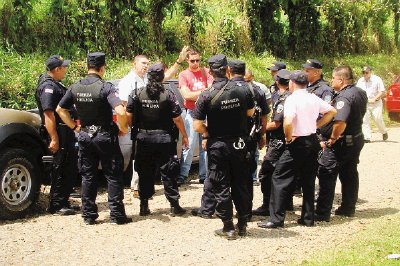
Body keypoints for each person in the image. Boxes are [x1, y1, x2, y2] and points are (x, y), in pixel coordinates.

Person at [56, 52, 131, 225]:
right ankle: (116, 215)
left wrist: (75, 127)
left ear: (87, 67)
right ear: (102, 68)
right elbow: (120, 111)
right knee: (113, 175)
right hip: (104, 135)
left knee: (88, 176)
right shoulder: (106, 87)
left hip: (85, 136)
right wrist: (122, 127)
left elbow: (60, 109)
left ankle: (88, 215)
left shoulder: (76, 87)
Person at [257, 70, 336, 229]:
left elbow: (287, 122)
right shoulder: (313, 97)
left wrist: (288, 137)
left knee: (279, 178)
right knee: (308, 180)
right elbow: (332, 111)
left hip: (297, 141)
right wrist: (316, 125)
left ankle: (276, 218)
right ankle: (308, 218)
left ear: (292, 83)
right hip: (312, 141)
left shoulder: (292, 99)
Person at [193, 54, 255, 240]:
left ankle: (228, 226)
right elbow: (250, 112)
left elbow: (197, 125)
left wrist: (208, 133)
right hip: (240, 144)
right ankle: (242, 224)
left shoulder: (206, 95)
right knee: (240, 184)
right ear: (228, 70)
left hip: (218, 145)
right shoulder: (244, 90)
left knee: (221, 185)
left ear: (210, 72)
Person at [125, 63, 189, 216]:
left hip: (143, 139)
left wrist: (133, 126)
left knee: (144, 172)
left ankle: (144, 206)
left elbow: (128, 116)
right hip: (164, 140)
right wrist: (185, 135)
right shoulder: (168, 94)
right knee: (169, 172)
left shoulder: (136, 93)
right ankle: (174, 206)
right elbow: (177, 118)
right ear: (162, 77)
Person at [315, 65, 368, 220]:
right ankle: (348, 207)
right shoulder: (360, 92)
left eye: (333, 78)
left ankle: (322, 212)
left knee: (326, 172)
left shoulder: (344, 97)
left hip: (342, 142)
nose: (331, 81)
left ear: (341, 79)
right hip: (356, 138)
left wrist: (332, 138)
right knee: (349, 173)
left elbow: (340, 122)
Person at [35, 55, 78, 215]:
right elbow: (48, 114)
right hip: (58, 131)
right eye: (64, 67)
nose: (66, 69)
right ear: (57, 69)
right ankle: (57, 204)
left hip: (64, 130)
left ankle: (64, 200)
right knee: (61, 166)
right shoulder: (48, 87)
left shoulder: (55, 84)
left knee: (68, 166)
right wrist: (54, 138)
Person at [227, 60, 269, 215]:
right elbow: (264, 116)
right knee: (246, 177)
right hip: (249, 139)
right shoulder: (257, 90)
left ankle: (228, 211)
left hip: (229, 139)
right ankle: (246, 211)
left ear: (229, 71)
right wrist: (262, 135)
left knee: (228, 176)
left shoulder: (226, 89)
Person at [252, 69, 291, 216]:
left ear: (277, 81)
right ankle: (286, 204)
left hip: (278, 140)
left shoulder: (283, 98)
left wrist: (259, 129)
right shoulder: (287, 95)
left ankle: (268, 205)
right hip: (283, 140)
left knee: (267, 172)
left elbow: (276, 124)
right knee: (283, 173)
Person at [178, 48, 213, 185]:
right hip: (192, 112)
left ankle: (204, 175)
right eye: (192, 61)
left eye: (198, 60)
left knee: (205, 144)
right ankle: (182, 174)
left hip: (206, 113)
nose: (195, 63)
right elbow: (186, 95)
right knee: (189, 144)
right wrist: (204, 92)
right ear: (187, 60)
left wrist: (196, 93)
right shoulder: (184, 75)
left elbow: (212, 91)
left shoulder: (206, 72)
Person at [356, 66, 388, 142]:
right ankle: (367, 137)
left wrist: (374, 98)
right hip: (365, 103)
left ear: (370, 72)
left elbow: (382, 91)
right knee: (365, 120)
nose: (365, 74)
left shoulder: (377, 79)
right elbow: (357, 91)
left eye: (366, 72)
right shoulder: (360, 81)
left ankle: (384, 132)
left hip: (376, 103)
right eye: (363, 72)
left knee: (377, 119)